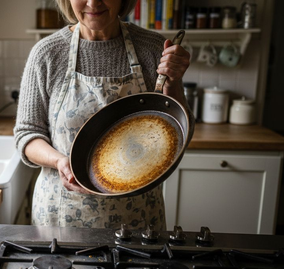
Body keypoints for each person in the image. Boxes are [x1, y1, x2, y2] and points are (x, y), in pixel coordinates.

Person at [14, 0, 191, 230]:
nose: (93, 2)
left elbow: (180, 127)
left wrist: (173, 82)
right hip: (61, 216)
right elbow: (27, 134)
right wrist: (59, 161)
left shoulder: (153, 48)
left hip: (138, 219)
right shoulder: (47, 53)